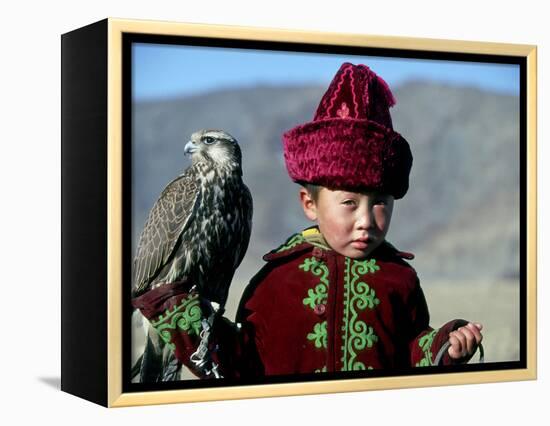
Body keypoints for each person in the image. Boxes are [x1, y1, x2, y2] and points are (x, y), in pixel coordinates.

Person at [132, 62, 483, 380]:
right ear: (309, 204)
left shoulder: (400, 278)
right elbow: (242, 361)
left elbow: (409, 351)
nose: (365, 220)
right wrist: (181, 316)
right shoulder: (278, 280)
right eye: (349, 203)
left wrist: (444, 346)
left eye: (380, 204)